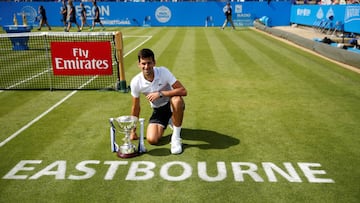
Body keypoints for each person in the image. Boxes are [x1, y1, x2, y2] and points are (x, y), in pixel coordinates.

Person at [130, 48, 187, 154]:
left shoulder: (163, 72)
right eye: (143, 64)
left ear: (154, 63)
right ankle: (170, 120)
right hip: (158, 110)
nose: (146, 67)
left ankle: (176, 138)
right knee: (152, 140)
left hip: (171, 104)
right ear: (139, 64)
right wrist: (133, 130)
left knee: (177, 100)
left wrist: (161, 94)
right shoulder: (135, 82)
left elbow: (183, 90)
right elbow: (136, 107)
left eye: (149, 63)